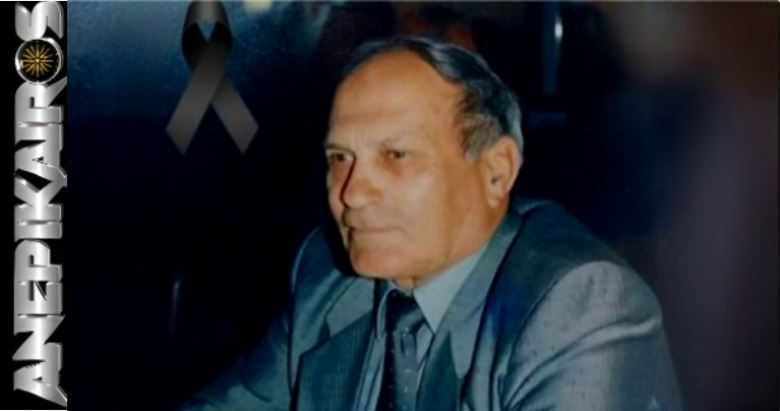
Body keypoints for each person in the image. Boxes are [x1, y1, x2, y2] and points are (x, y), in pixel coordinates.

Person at [180, 36, 682, 411]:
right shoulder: (327, 277)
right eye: (339, 158)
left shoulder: (577, 303)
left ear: (496, 171)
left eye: (396, 155)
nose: (352, 193)